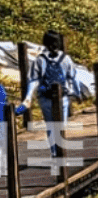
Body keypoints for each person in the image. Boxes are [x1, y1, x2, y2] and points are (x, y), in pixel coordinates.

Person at [16, 30, 76, 158]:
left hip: (45, 97)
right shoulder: (66, 59)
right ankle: (61, 153)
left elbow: (33, 79)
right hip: (62, 97)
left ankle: (54, 152)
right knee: (61, 125)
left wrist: (28, 96)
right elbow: (71, 77)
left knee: (50, 125)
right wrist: (72, 92)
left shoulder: (39, 60)